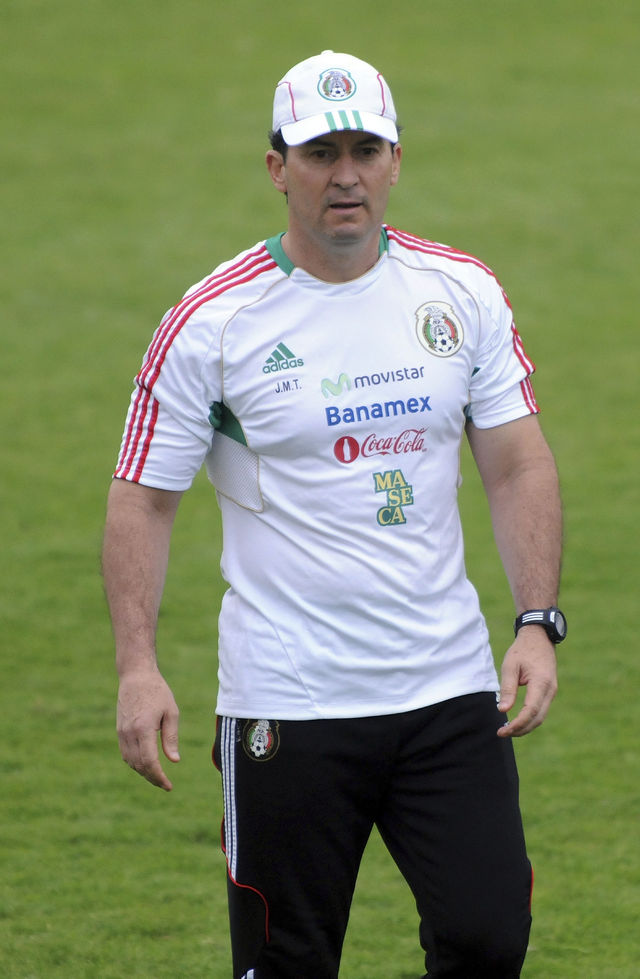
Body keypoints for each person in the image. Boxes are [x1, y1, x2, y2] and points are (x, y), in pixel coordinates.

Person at [103, 49, 565, 979]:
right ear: (278, 167)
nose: (345, 175)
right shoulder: (212, 323)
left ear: (396, 160)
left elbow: (517, 463)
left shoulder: (461, 293)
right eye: (320, 153)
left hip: (447, 688)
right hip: (289, 701)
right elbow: (143, 498)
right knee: (288, 963)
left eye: (365, 150)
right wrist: (138, 665)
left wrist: (535, 621)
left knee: (487, 940)